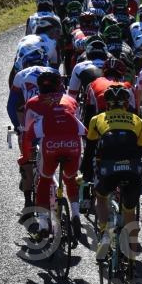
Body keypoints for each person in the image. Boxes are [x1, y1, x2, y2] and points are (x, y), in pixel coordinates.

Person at [20, 71, 85, 240]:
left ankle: (42, 223)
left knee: (45, 180)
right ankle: (76, 214)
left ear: (39, 87)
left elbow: (27, 134)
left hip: (50, 145)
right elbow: (78, 126)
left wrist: (25, 156)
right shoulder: (71, 100)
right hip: (73, 144)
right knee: (70, 178)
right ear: (60, 86)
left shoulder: (32, 102)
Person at [82, 85, 142, 258]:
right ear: (126, 104)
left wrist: (86, 174)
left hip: (108, 167)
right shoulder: (137, 120)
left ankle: (104, 233)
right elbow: (140, 150)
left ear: (107, 104)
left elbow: (89, 152)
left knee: (101, 197)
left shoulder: (97, 118)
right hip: (132, 168)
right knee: (129, 209)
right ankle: (133, 247)